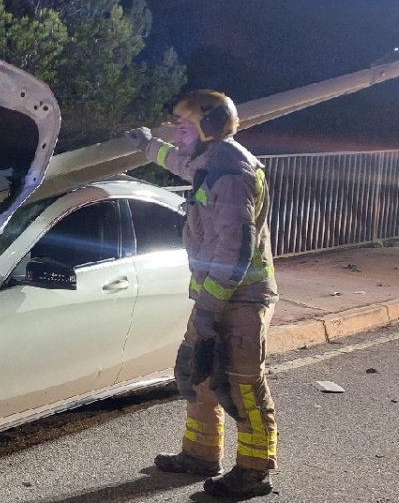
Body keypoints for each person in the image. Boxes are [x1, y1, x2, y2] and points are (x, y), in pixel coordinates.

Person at [125, 89, 278, 498]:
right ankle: (200, 455)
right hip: (215, 296)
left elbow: (235, 250)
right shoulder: (209, 160)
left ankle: (254, 471)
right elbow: (180, 162)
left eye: (183, 127)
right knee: (199, 375)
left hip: (242, 299)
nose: (177, 135)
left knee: (244, 386)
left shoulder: (231, 173)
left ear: (208, 127)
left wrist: (208, 309)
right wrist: (147, 146)